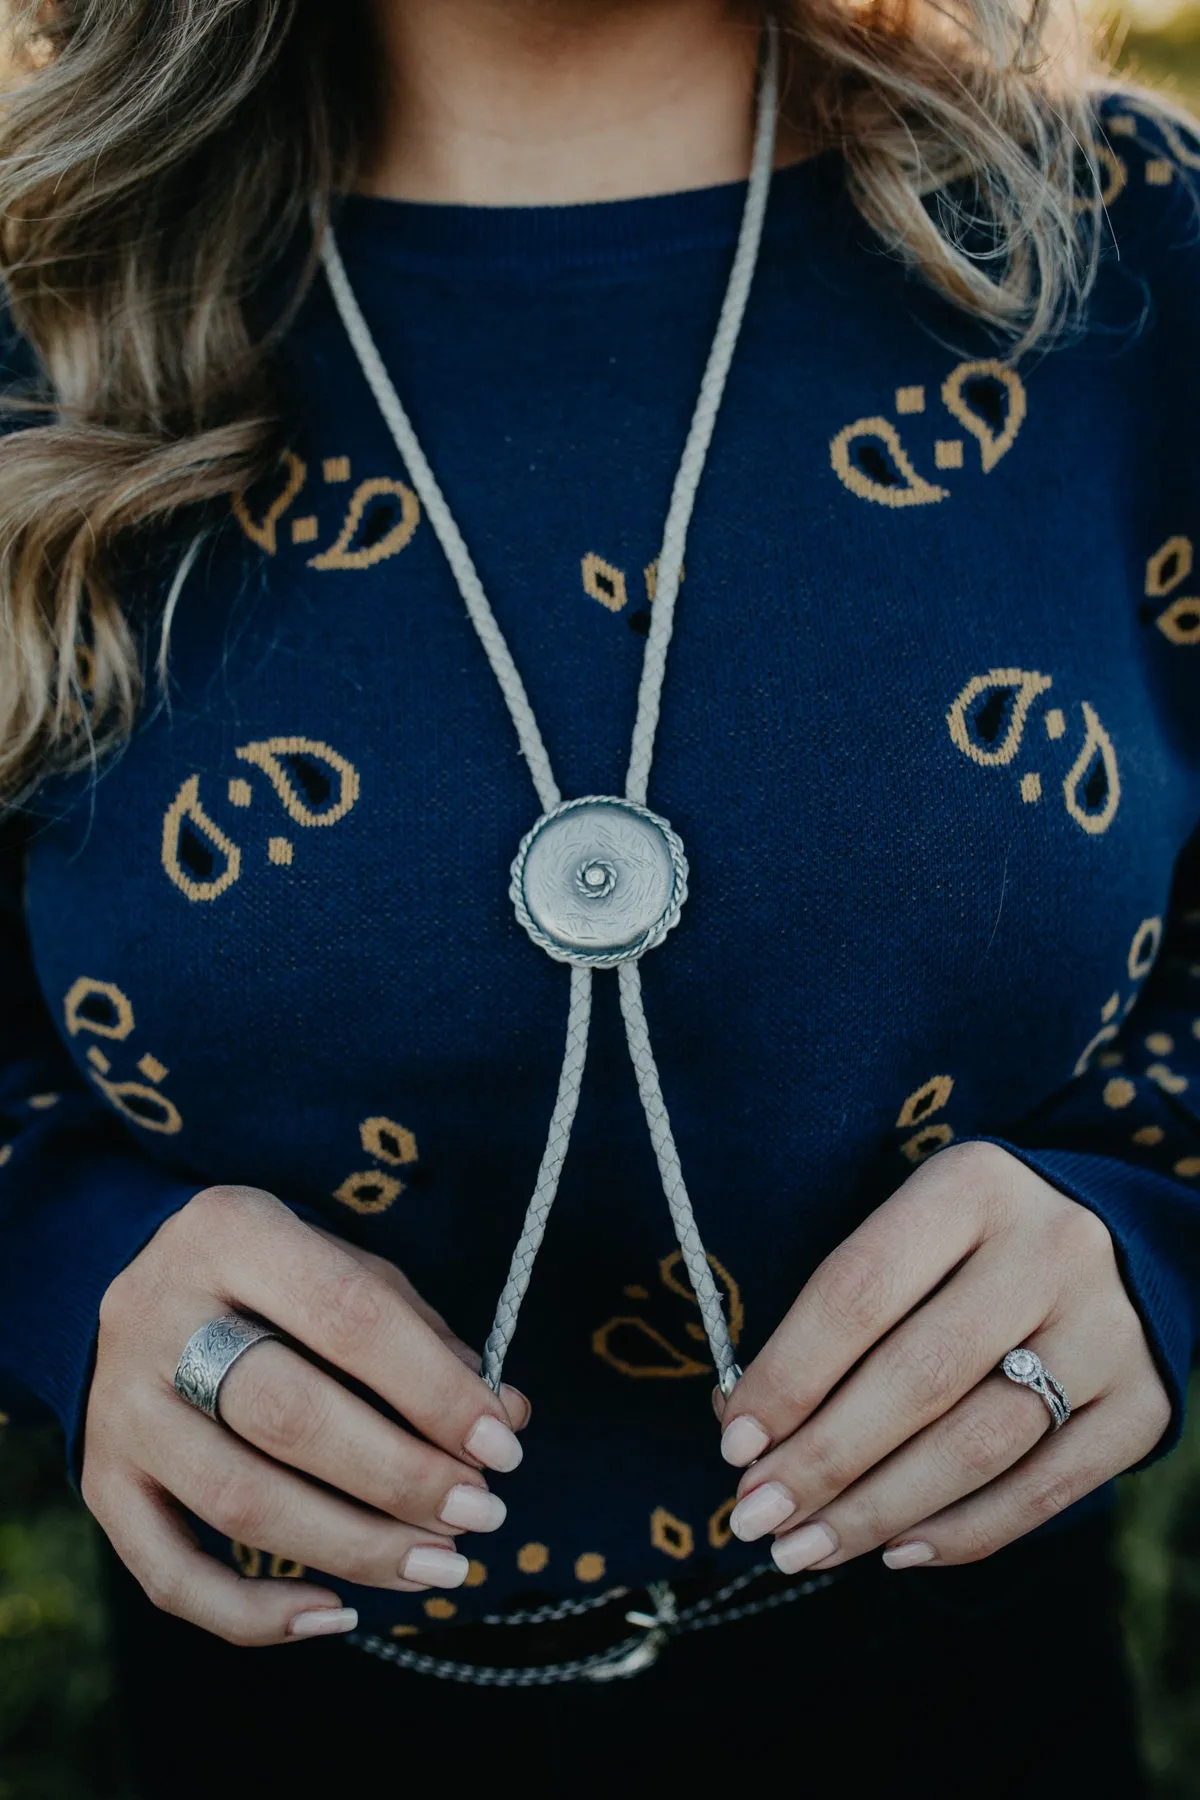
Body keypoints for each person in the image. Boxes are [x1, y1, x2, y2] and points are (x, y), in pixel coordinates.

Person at [1, 0, 1197, 1792]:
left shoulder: (1131, 250)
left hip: (979, 1718)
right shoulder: (46, 295)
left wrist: (1156, 1223)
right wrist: (55, 1256)